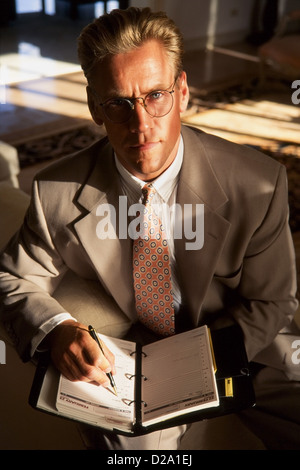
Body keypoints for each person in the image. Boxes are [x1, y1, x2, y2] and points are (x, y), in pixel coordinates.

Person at [0, 7, 299, 450]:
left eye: (156, 96)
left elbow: (272, 300)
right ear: (94, 107)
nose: (141, 126)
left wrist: (203, 362)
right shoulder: (55, 192)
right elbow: (11, 278)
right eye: (118, 103)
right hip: (130, 359)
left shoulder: (257, 182)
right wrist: (58, 329)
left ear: (182, 92)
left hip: (235, 343)